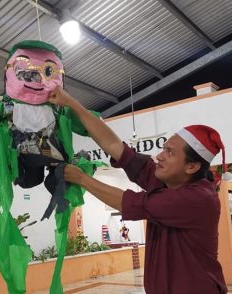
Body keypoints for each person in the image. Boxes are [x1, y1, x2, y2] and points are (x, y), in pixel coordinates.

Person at [48, 86, 228, 294]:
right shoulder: (165, 180)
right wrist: (71, 102)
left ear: (192, 167)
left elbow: (132, 203)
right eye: (164, 148)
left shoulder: (198, 198)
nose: (160, 156)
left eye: (170, 152)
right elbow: (116, 147)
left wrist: (82, 179)